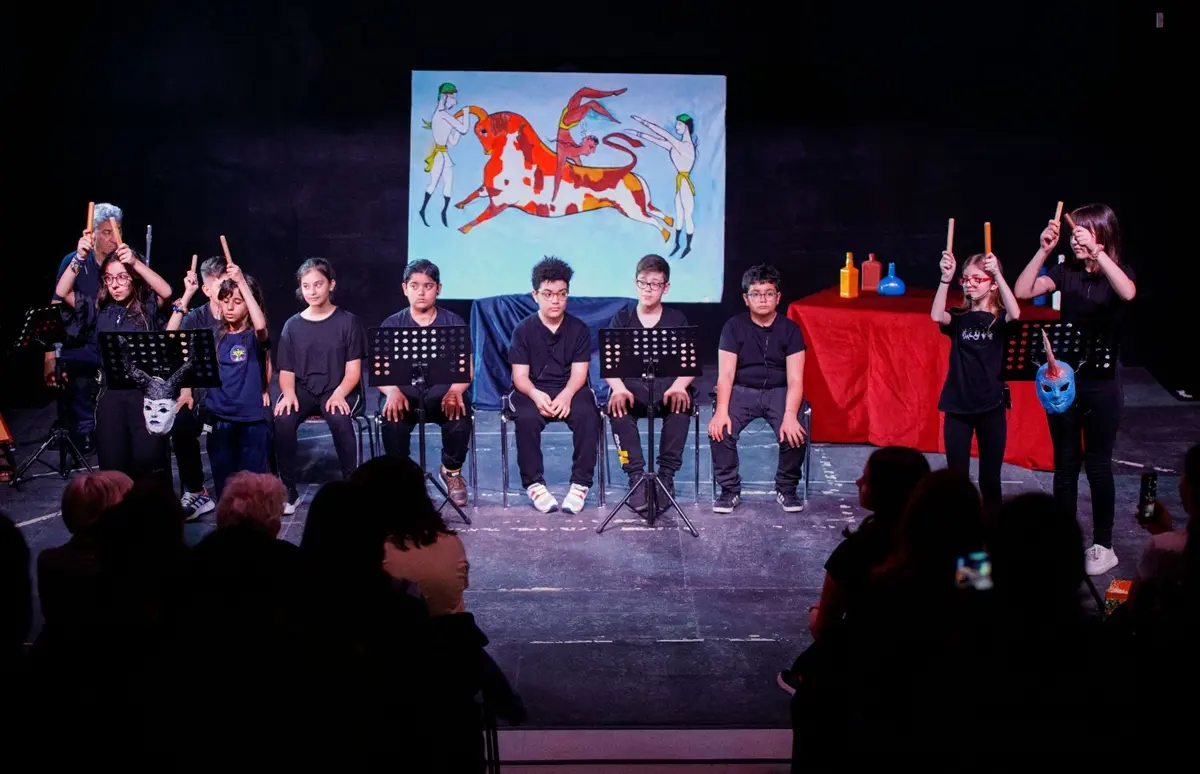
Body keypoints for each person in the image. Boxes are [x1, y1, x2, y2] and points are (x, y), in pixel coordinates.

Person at [1014, 203, 1137, 576]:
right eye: (1075, 233)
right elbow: (1023, 290)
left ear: (1102, 233)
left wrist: (1099, 253)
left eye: (1084, 232)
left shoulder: (1118, 271)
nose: (1076, 238)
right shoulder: (1065, 271)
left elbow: (1128, 293)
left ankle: (1104, 545)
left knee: (1098, 464)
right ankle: (1061, 541)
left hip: (1102, 383)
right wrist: (1043, 251)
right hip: (1065, 382)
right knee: (1065, 464)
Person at [53, 235, 174, 482]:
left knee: (148, 463)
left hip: (146, 396)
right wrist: (79, 258)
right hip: (110, 394)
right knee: (112, 466)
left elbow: (166, 291)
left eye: (121, 277)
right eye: (109, 278)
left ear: (133, 279)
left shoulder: (147, 307)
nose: (115, 285)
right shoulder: (99, 309)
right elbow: (62, 291)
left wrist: (135, 263)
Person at [709, 264, 808, 513]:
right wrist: (721, 410)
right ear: (746, 298)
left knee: (795, 430)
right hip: (742, 389)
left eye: (768, 293)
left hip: (779, 390)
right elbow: (726, 374)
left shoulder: (791, 330)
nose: (762, 299)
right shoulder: (733, 327)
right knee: (720, 429)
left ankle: (786, 489)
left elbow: (796, 379)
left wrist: (790, 415)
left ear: (778, 297)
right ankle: (729, 490)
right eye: (756, 293)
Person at [170, 263, 271, 502]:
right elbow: (170, 337)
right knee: (225, 489)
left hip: (251, 419)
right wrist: (186, 296)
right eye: (225, 301)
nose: (230, 307)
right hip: (220, 419)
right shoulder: (214, 333)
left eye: (237, 302)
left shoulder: (253, 337)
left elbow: (260, 325)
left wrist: (242, 283)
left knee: (252, 488)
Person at [377, 259, 472, 508]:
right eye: (415, 286)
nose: (421, 292)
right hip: (405, 396)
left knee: (460, 413)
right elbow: (381, 369)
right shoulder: (392, 325)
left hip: (442, 395)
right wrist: (392, 391)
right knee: (392, 419)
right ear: (404, 288)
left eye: (428, 286)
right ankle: (403, 477)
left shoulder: (453, 322)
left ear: (438, 289)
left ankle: (451, 471)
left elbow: (466, 367)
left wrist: (455, 390)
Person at [931, 250, 1021, 512]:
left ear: (992, 284)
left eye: (977, 279)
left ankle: (992, 529)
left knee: (990, 479)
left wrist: (999, 276)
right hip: (958, 406)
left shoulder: (1000, 319)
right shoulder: (959, 318)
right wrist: (946, 279)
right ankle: (959, 529)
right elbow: (937, 316)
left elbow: (1016, 314)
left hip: (991, 406)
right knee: (956, 480)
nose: (969, 284)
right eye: (966, 279)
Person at [274, 258, 366, 514]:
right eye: (306, 286)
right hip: (304, 389)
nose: (312, 291)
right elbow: (286, 370)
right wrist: (288, 393)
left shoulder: (348, 322)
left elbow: (353, 371)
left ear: (331, 284)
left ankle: (351, 487)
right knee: (283, 419)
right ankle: (288, 489)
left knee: (340, 419)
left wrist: (339, 394)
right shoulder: (292, 325)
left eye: (318, 284)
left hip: (337, 387)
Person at [508, 257, 599, 514]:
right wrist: (536, 395)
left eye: (562, 294)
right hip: (533, 388)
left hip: (569, 387)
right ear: (535, 295)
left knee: (588, 414)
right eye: (548, 294)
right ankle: (534, 484)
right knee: (526, 417)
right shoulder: (523, 330)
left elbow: (580, 373)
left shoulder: (578, 329)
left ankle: (580, 484)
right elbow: (520, 377)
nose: (555, 300)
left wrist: (567, 395)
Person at [605, 254, 695, 512]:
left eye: (655, 284)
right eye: (643, 283)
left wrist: (679, 385)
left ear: (666, 287)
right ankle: (635, 476)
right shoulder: (622, 319)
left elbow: (689, 363)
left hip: (667, 387)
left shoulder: (676, 319)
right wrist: (618, 389)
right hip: (632, 388)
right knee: (617, 409)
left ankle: (666, 476)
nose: (648, 289)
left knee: (681, 405)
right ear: (636, 284)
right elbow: (610, 364)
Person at [48, 203, 125, 455]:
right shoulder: (74, 261)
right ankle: (84, 429)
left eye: (118, 230)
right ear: (92, 234)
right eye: (107, 232)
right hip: (83, 339)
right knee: (70, 364)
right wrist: (49, 354)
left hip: (116, 337)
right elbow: (57, 302)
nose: (114, 238)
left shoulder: (123, 261)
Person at [168, 255, 229, 519]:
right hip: (201, 393)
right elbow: (171, 340)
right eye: (222, 285)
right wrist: (185, 392)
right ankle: (196, 491)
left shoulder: (238, 313)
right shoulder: (196, 317)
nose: (228, 291)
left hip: (231, 392)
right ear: (207, 289)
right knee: (180, 424)